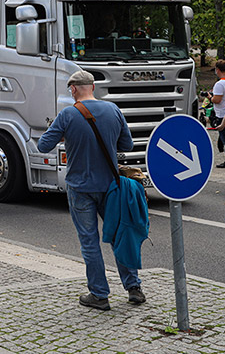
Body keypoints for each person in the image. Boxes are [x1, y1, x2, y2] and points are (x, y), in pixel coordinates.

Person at [37, 70, 143, 311]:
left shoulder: (67, 114)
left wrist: (66, 135)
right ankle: (134, 287)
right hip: (111, 186)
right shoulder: (113, 110)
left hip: (80, 188)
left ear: (73, 89)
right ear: (92, 87)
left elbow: (44, 145)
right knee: (119, 235)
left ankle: (99, 294)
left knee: (89, 242)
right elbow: (127, 144)